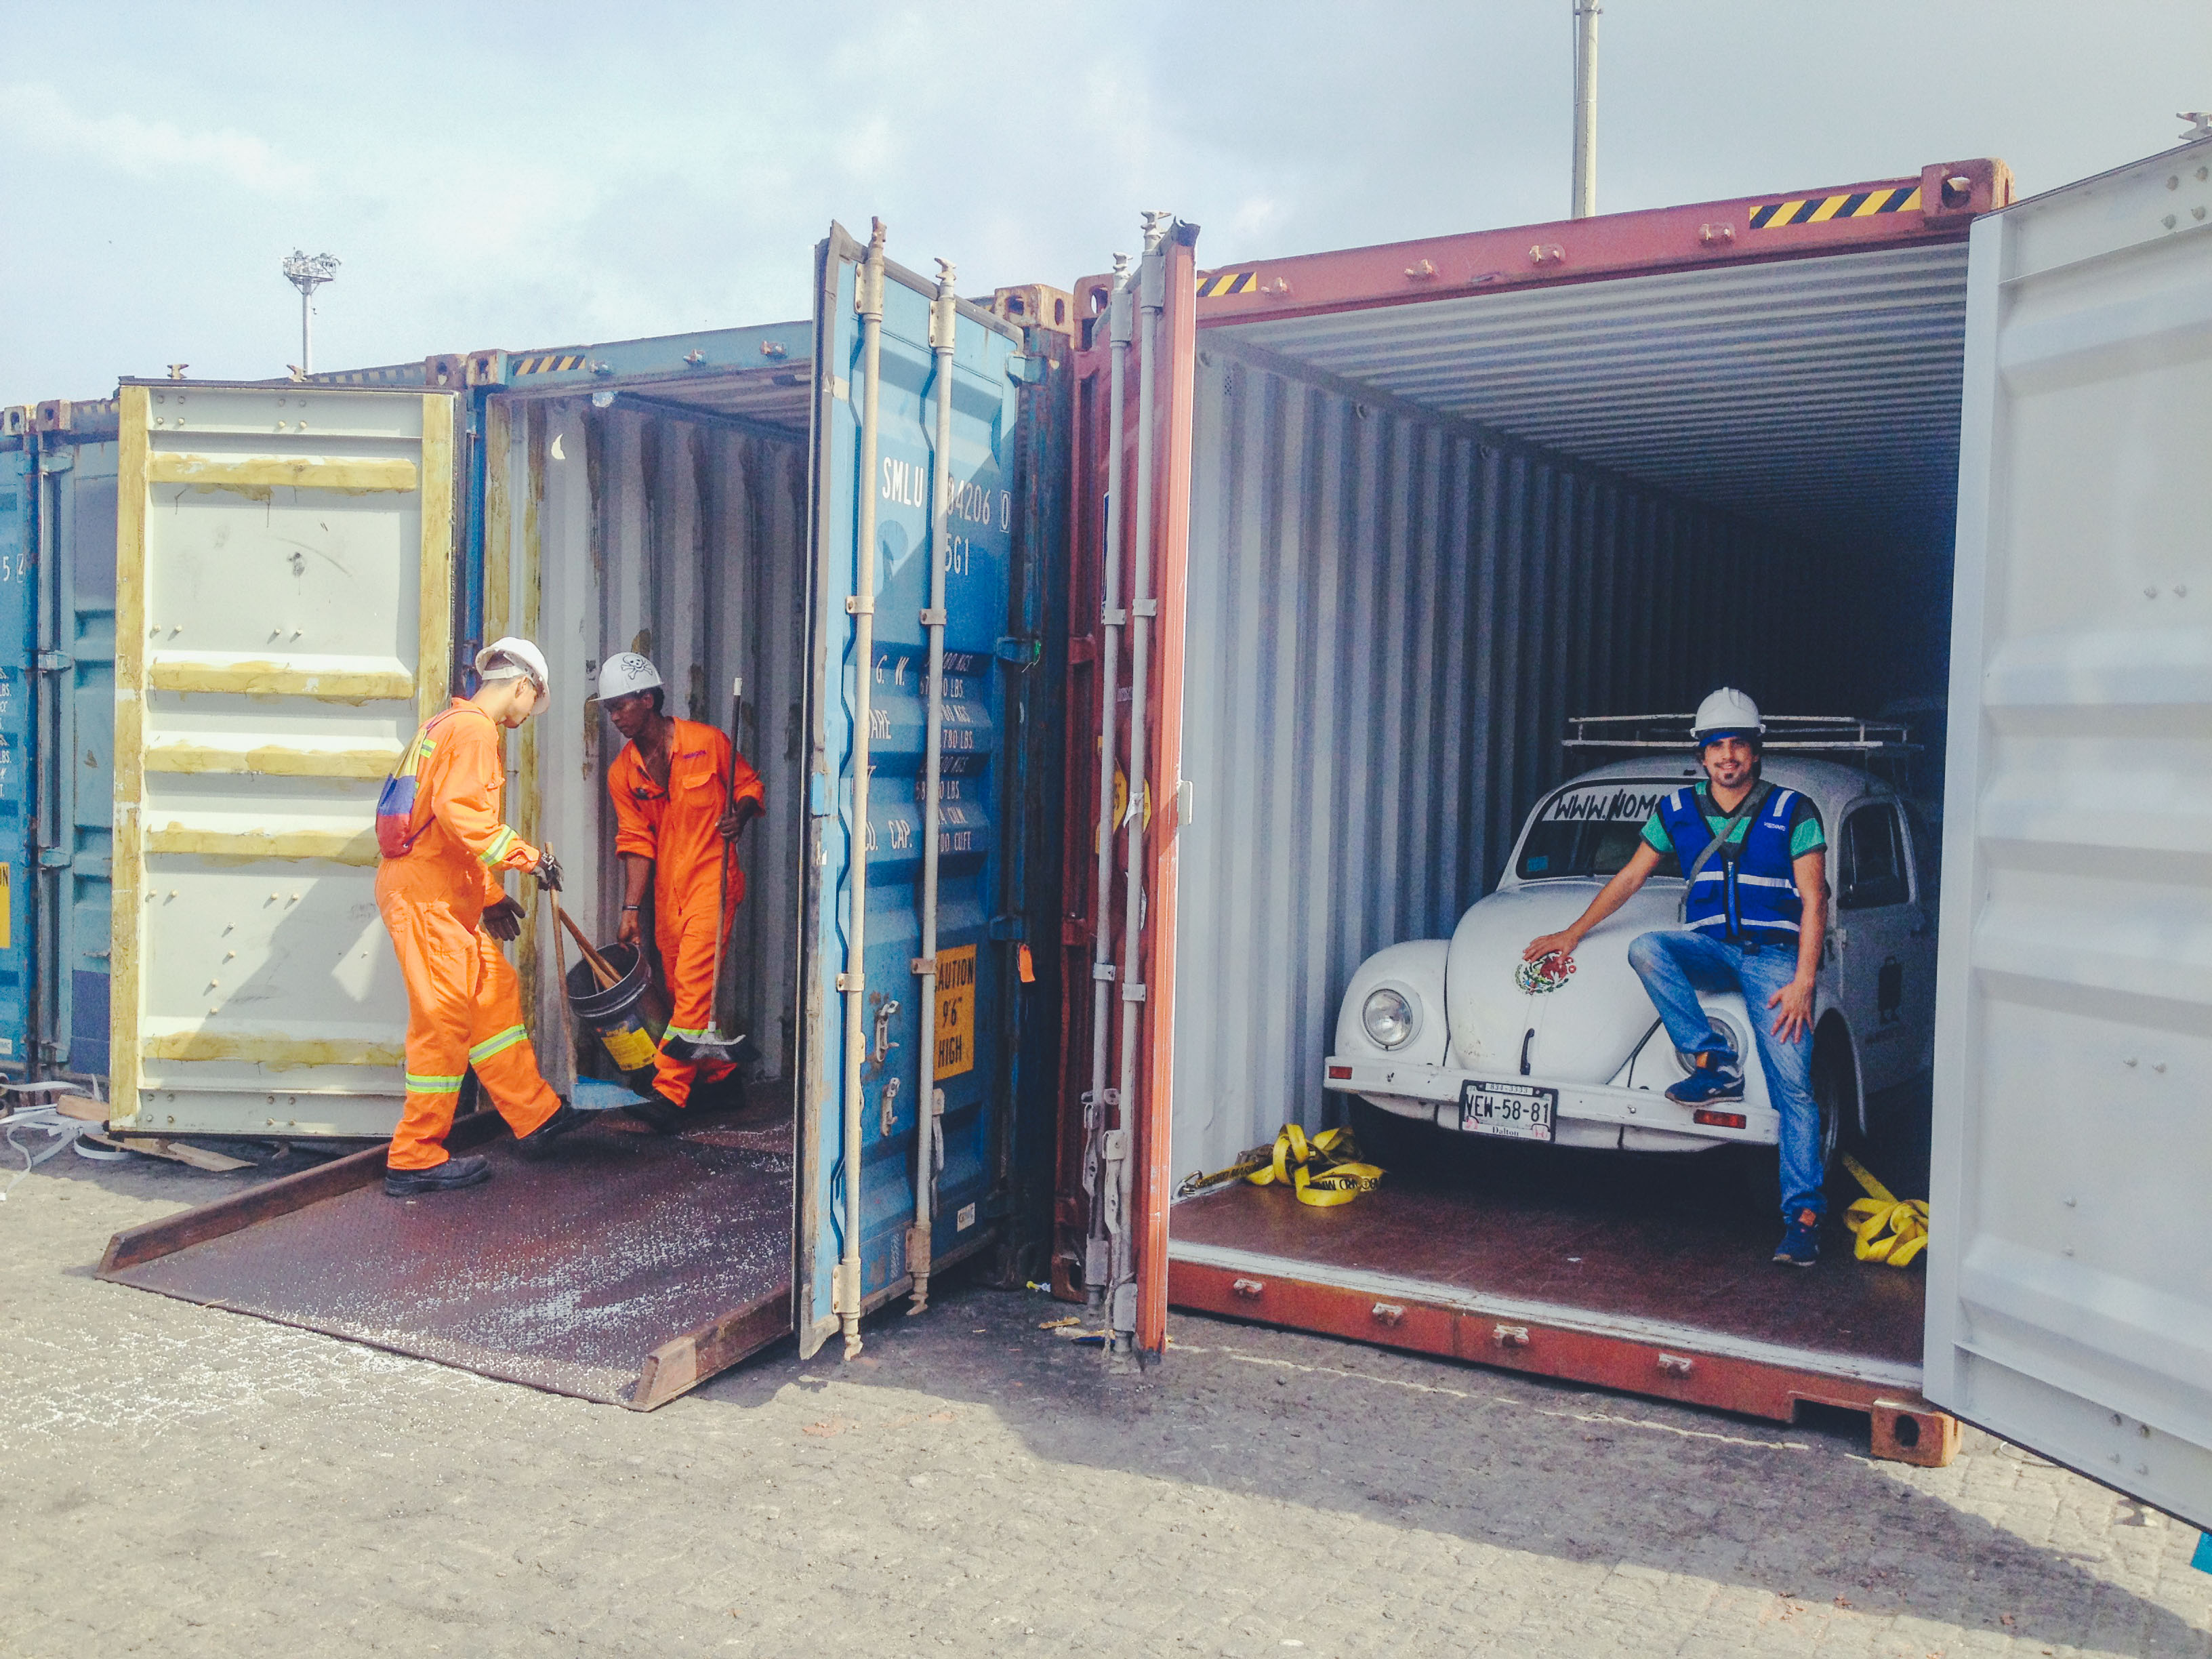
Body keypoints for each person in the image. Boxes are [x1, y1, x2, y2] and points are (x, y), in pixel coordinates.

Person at [1523, 688, 1832, 1267]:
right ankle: (1712, 1060)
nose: (1728, 757)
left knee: (1794, 1086)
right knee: (1647, 947)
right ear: (1702, 755)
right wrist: (1572, 932)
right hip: (1711, 946)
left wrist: (1804, 981)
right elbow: (1631, 878)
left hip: (1774, 959)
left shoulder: (1795, 810)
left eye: (1739, 744)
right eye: (1717, 747)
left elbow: (1814, 899)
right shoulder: (1677, 811)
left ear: (1756, 752)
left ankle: (1804, 1218)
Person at [373, 638, 585, 1195]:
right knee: (444, 1023)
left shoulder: (444, 725)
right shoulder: (474, 732)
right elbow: (458, 811)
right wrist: (530, 859)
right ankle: (414, 1156)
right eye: (529, 704)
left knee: (494, 992)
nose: (525, 716)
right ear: (522, 686)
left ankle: (535, 1116)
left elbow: (440, 828)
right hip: (428, 901)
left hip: (443, 892)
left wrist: (488, 894)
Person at [598, 653, 765, 1130]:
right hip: (669, 893)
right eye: (608, 711)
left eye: (619, 707)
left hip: (713, 879)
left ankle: (669, 1093)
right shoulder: (623, 773)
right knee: (680, 989)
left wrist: (743, 814)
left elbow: (750, 785)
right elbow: (636, 843)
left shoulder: (707, 743)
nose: (614, 719)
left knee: (692, 989)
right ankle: (721, 1079)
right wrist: (632, 908)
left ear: (647, 700)